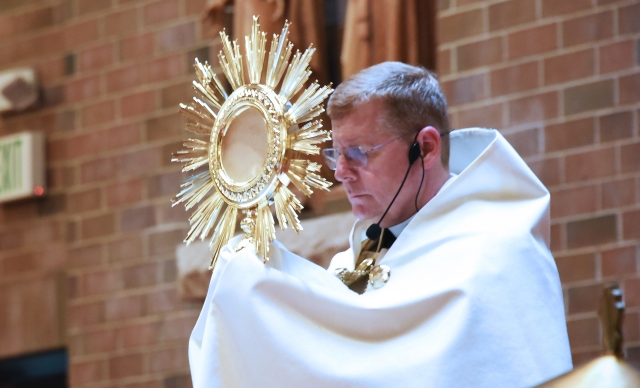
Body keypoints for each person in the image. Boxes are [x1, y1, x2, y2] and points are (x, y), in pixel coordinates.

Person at [188, 62, 572, 387]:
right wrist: (256, 290)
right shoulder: (352, 261)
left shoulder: (496, 253)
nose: (341, 172)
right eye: (335, 154)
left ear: (425, 148)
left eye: (357, 153)